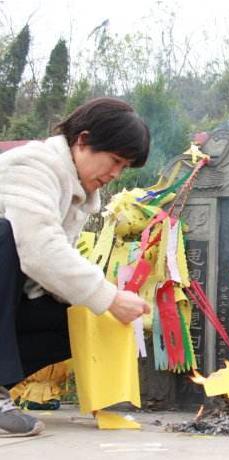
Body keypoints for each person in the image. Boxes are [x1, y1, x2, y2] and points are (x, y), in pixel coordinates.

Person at [0, 97, 151, 437]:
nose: (115, 173)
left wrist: (102, 305)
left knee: (79, 316)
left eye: (124, 167)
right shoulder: (31, 165)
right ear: (82, 140)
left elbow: (45, 277)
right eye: (114, 160)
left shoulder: (74, 195)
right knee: (4, 235)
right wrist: (109, 296)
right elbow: (38, 250)